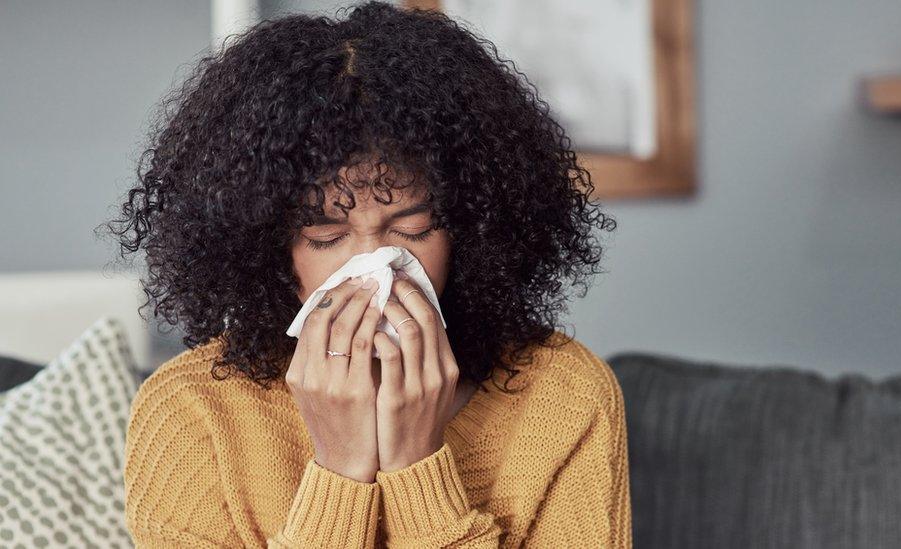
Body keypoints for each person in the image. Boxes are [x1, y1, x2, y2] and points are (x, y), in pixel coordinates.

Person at [107, 2, 629, 547]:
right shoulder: (192, 415)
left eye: (413, 229)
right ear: (266, 244)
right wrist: (339, 472)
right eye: (326, 237)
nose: (375, 269)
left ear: (472, 229)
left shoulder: (566, 396)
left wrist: (416, 466)